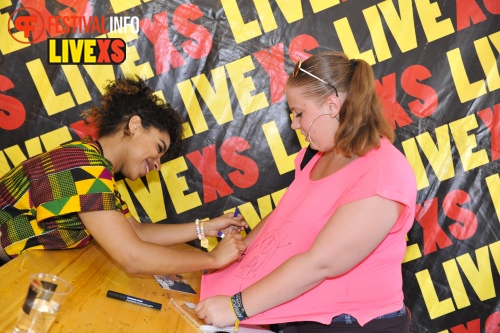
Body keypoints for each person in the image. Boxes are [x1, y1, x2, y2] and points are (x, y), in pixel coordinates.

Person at [194, 51, 417, 332]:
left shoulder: (383, 172)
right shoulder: (316, 156)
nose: (294, 124)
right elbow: (284, 218)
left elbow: (321, 263)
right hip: (299, 315)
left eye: (300, 113)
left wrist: (236, 306)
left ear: (332, 105)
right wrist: (233, 260)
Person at [0, 76, 247, 274]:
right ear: (135, 125)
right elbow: (132, 256)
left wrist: (205, 228)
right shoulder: (82, 165)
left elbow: (136, 232)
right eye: (159, 148)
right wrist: (213, 259)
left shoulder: (96, 166)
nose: (157, 165)